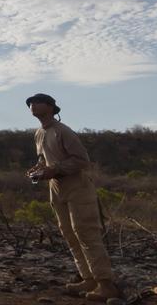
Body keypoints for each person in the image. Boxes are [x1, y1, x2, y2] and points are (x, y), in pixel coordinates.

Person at [25, 93, 120, 301]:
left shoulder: (63, 131)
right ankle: (89, 279)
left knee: (86, 232)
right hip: (56, 187)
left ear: (50, 107)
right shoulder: (39, 134)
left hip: (77, 186)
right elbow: (44, 159)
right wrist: (38, 170)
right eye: (30, 103)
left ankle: (106, 283)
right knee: (69, 233)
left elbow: (81, 160)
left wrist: (54, 169)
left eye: (37, 101)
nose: (32, 104)